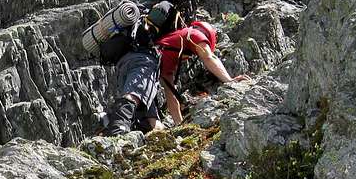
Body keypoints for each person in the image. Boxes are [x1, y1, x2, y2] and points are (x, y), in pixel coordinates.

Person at [103, 19, 249, 134]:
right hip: (143, 61)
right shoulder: (193, 34)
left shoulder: (169, 53)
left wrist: (180, 126)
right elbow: (209, 57)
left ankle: (110, 124)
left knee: (154, 125)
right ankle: (116, 131)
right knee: (134, 95)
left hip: (127, 64)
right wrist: (230, 81)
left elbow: (171, 96)